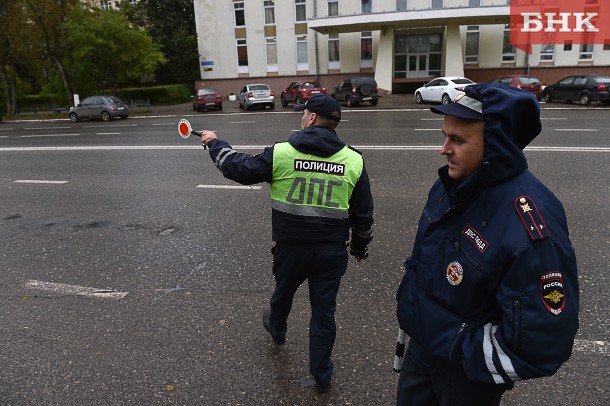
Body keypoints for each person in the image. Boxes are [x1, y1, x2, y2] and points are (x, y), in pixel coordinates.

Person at [395, 82, 579, 405]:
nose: (444, 149)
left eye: (457, 140)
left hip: (466, 378)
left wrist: (462, 352)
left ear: (495, 142)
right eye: (444, 136)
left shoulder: (531, 224)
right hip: (422, 352)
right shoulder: (452, 184)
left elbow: (544, 343)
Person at [199, 94, 374, 393]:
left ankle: (277, 328)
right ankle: (322, 376)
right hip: (331, 254)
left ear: (312, 119)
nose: (302, 117)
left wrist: (215, 142)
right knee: (324, 314)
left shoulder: (281, 153)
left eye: (304, 113)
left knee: (283, 293)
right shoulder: (353, 160)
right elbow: (363, 213)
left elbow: (237, 168)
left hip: (290, 250)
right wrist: (359, 247)